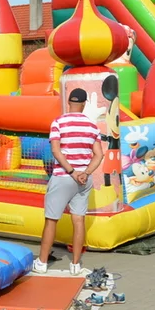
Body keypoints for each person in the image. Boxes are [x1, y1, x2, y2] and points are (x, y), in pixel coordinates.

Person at [33, 88, 103, 276]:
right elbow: (99, 155)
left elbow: (56, 151)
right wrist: (85, 173)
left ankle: (42, 262)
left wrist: (72, 172)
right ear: (84, 103)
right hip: (83, 179)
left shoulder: (58, 122)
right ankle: (75, 265)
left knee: (51, 220)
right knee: (78, 220)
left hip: (63, 176)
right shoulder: (92, 126)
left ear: (68, 102)